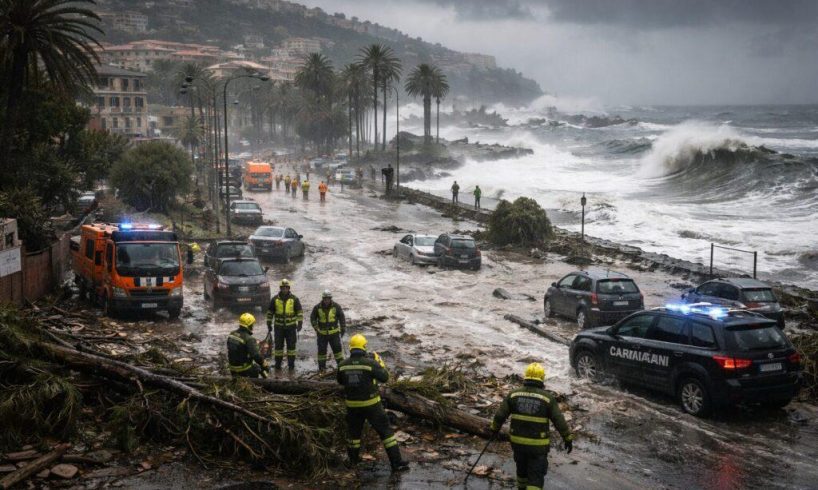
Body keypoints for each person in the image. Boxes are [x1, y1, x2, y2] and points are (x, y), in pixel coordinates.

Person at [491, 363, 574, 490]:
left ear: (526, 377)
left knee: (522, 472)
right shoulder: (547, 398)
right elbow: (559, 421)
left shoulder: (513, 395)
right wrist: (567, 438)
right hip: (538, 447)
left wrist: (494, 429)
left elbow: (500, 415)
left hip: (517, 444)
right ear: (542, 378)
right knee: (535, 478)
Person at [337, 334, 409, 472]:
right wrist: (380, 363)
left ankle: (353, 462)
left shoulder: (342, 365)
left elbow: (340, 381)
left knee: (354, 435)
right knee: (386, 433)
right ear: (364, 347)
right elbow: (385, 377)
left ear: (351, 348)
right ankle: (396, 463)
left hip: (352, 406)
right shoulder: (371, 363)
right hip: (372, 406)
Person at [266, 279, 303, 370]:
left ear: (289, 288)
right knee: (278, 348)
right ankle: (278, 365)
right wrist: (269, 323)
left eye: (286, 287)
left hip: (291, 328)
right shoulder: (274, 299)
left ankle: (291, 366)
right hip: (279, 328)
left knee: (291, 348)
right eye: (283, 288)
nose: (285, 289)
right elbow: (270, 312)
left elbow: (299, 312)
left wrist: (300, 324)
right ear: (280, 288)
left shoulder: (294, 299)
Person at [310, 290, 346, 371]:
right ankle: (322, 369)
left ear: (330, 298)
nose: (326, 300)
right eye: (325, 298)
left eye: (328, 298)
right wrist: (315, 327)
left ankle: (341, 367)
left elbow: (341, 317)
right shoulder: (317, 307)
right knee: (322, 352)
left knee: (338, 351)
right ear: (323, 298)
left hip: (334, 334)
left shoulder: (336, 306)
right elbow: (312, 318)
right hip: (322, 334)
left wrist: (343, 328)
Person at [227, 313, 269, 378]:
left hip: (232, 369)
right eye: (252, 324)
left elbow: (237, 349)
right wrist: (264, 363)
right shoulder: (249, 339)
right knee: (259, 368)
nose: (253, 326)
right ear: (248, 325)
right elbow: (256, 356)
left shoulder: (232, 334)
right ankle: (259, 384)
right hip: (243, 370)